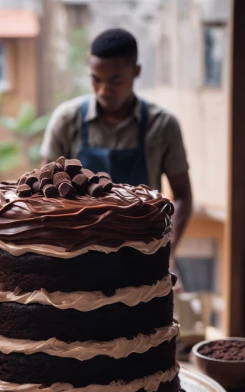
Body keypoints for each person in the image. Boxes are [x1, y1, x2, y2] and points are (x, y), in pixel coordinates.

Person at [40, 28, 192, 268]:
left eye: (115, 81)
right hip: (77, 257)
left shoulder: (163, 126)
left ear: (136, 71)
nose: (103, 90)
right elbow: (46, 193)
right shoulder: (66, 121)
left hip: (142, 255)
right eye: (96, 79)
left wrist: (167, 250)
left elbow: (182, 195)